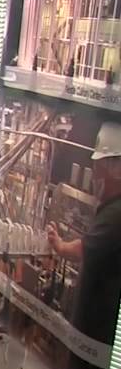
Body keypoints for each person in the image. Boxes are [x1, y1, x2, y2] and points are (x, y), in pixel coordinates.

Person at [48, 122, 121, 348]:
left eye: (98, 165)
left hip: (94, 336)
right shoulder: (111, 208)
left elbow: (83, 249)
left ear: (114, 167)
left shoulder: (116, 213)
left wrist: (59, 245)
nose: (95, 173)